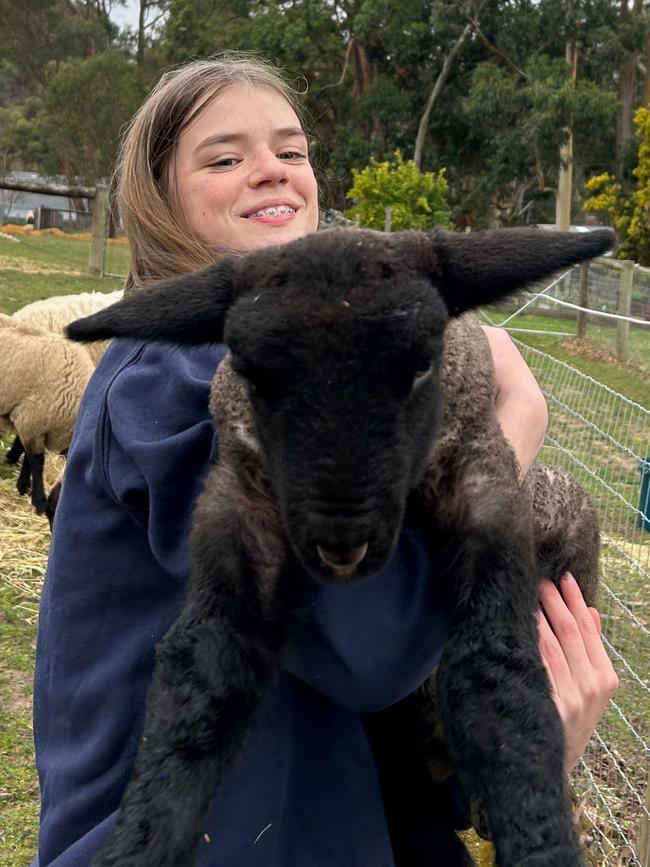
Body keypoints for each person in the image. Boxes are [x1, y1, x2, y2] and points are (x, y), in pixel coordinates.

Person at [31, 54, 618, 867]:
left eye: (292, 150)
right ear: (157, 198)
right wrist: (515, 423)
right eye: (225, 157)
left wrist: (522, 752)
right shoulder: (176, 376)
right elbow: (368, 649)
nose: (271, 170)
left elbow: (396, 694)